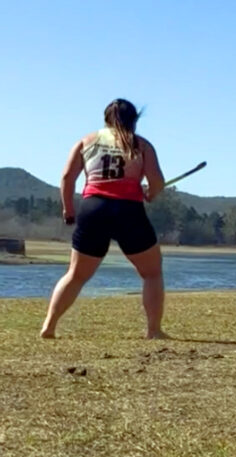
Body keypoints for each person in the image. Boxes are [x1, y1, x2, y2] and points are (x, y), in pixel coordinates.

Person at [41, 99, 167, 339]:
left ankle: (49, 326)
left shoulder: (86, 141)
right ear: (134, 119)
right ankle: (153, 330)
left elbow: (68, 177)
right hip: (129, 210)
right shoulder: (142, 145)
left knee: (76, 274)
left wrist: (68, 210)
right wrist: (150, 194)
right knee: (151, 272)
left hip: (93, 208)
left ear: (105, 118)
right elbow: (157, 182)